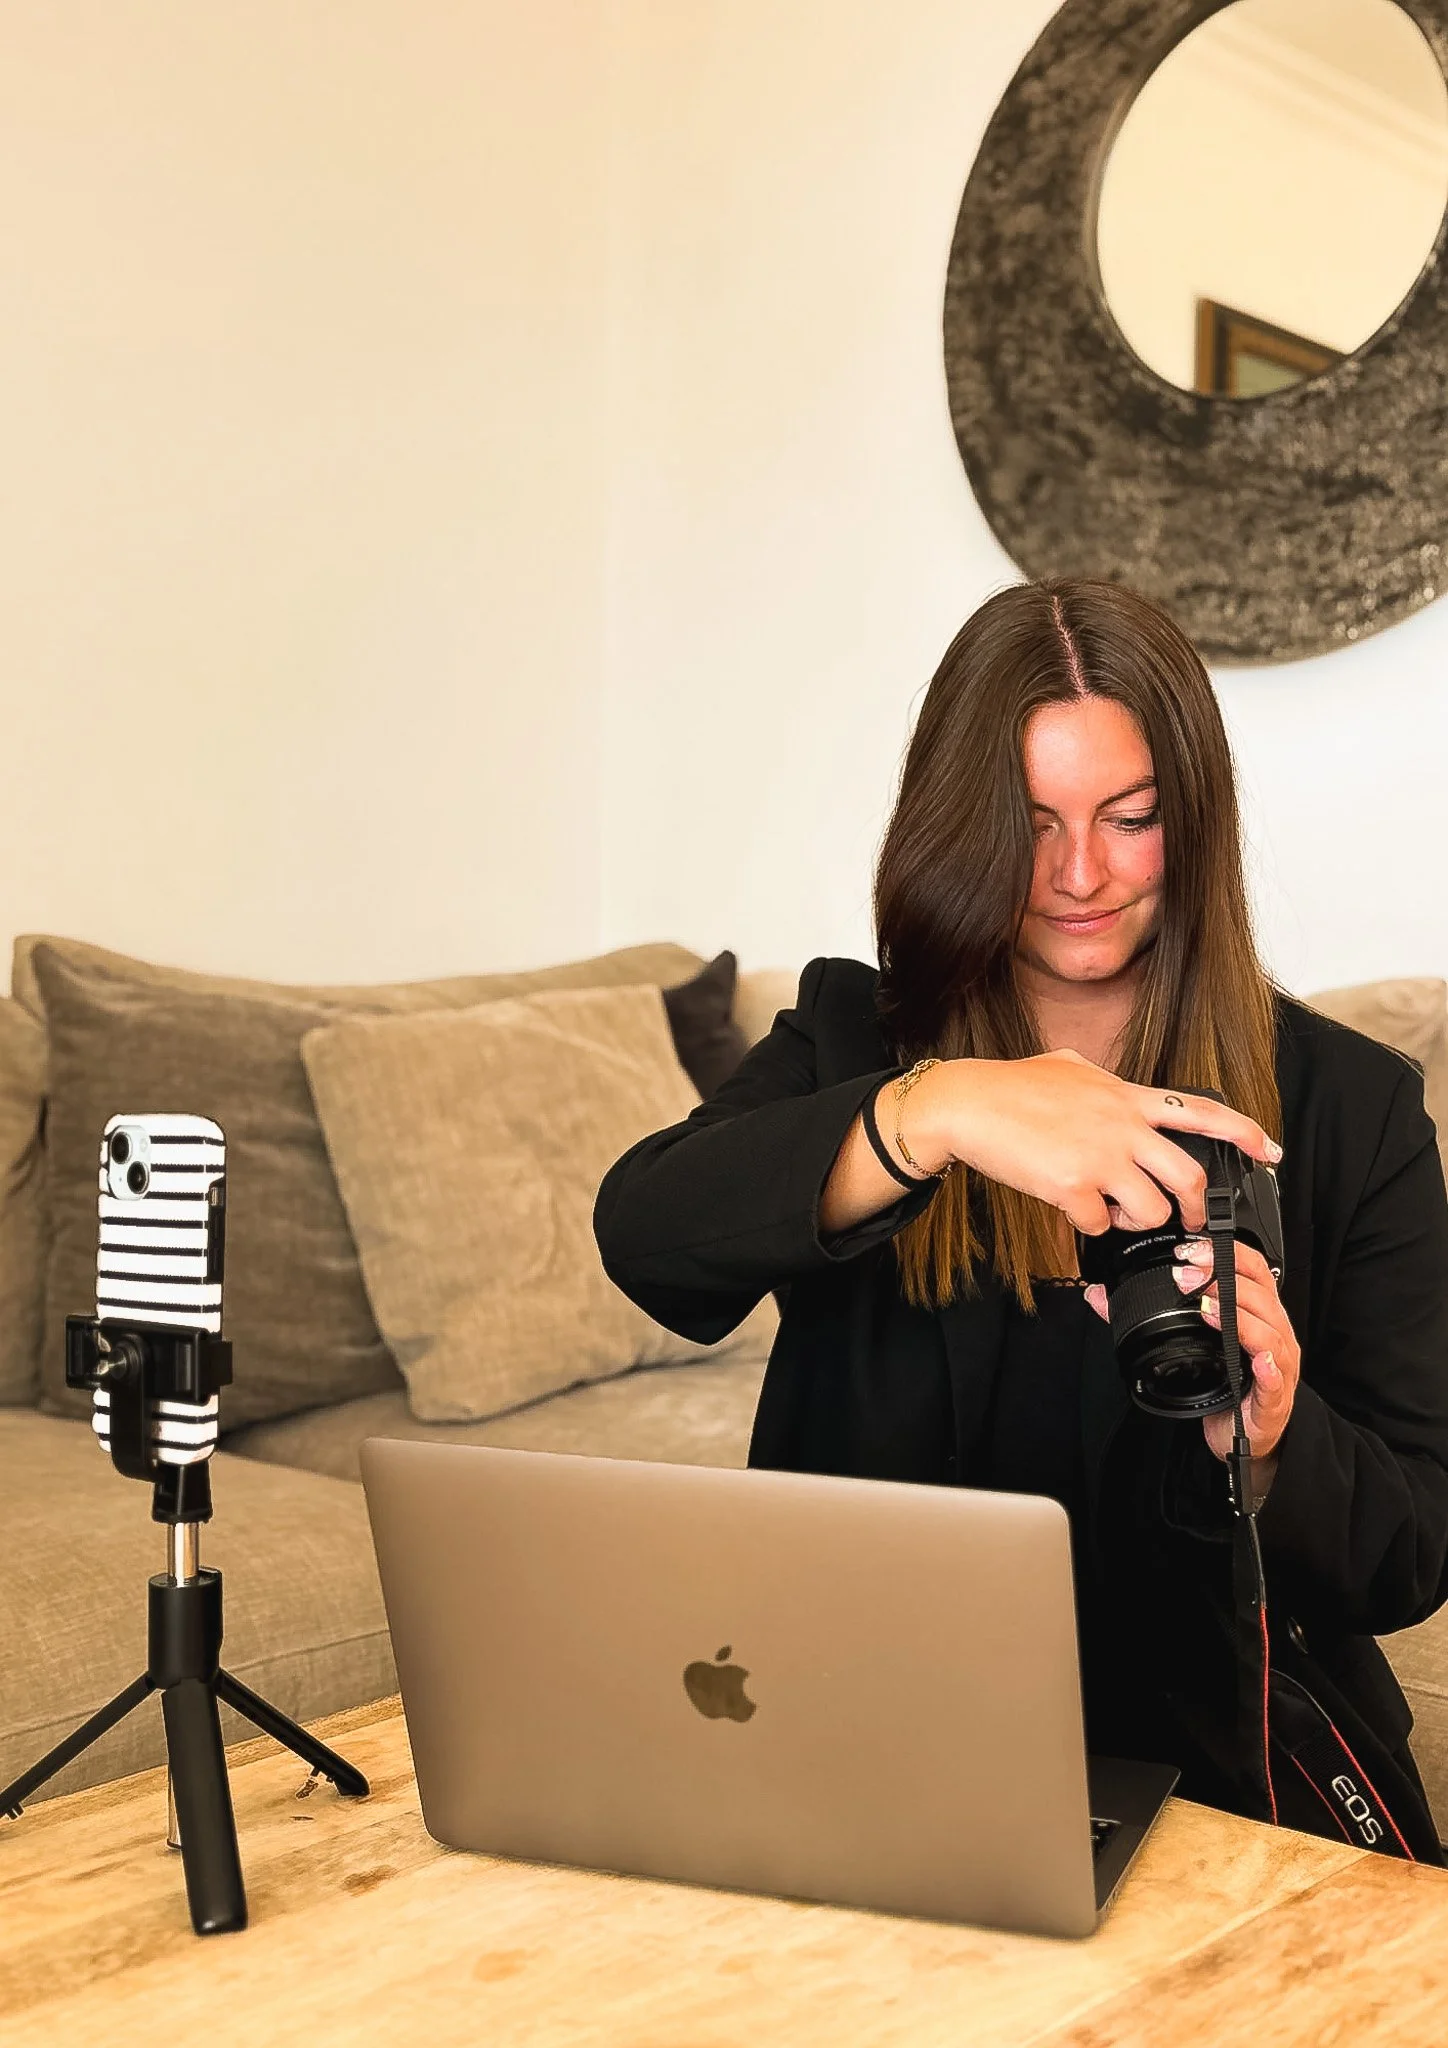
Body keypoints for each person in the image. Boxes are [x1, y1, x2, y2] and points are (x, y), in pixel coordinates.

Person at [594, 578, 1448, 1855]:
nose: (1079, 875)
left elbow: (1410, 1549)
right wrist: (928, 1113)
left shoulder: (1347, 1105)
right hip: (866, 1735)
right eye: (1029, 824)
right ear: (957, 827)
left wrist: (1272, 1436)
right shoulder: (855, 1041)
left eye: (1130, 817)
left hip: (1215, 1770)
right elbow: (646, 1235)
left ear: (1192, 820)